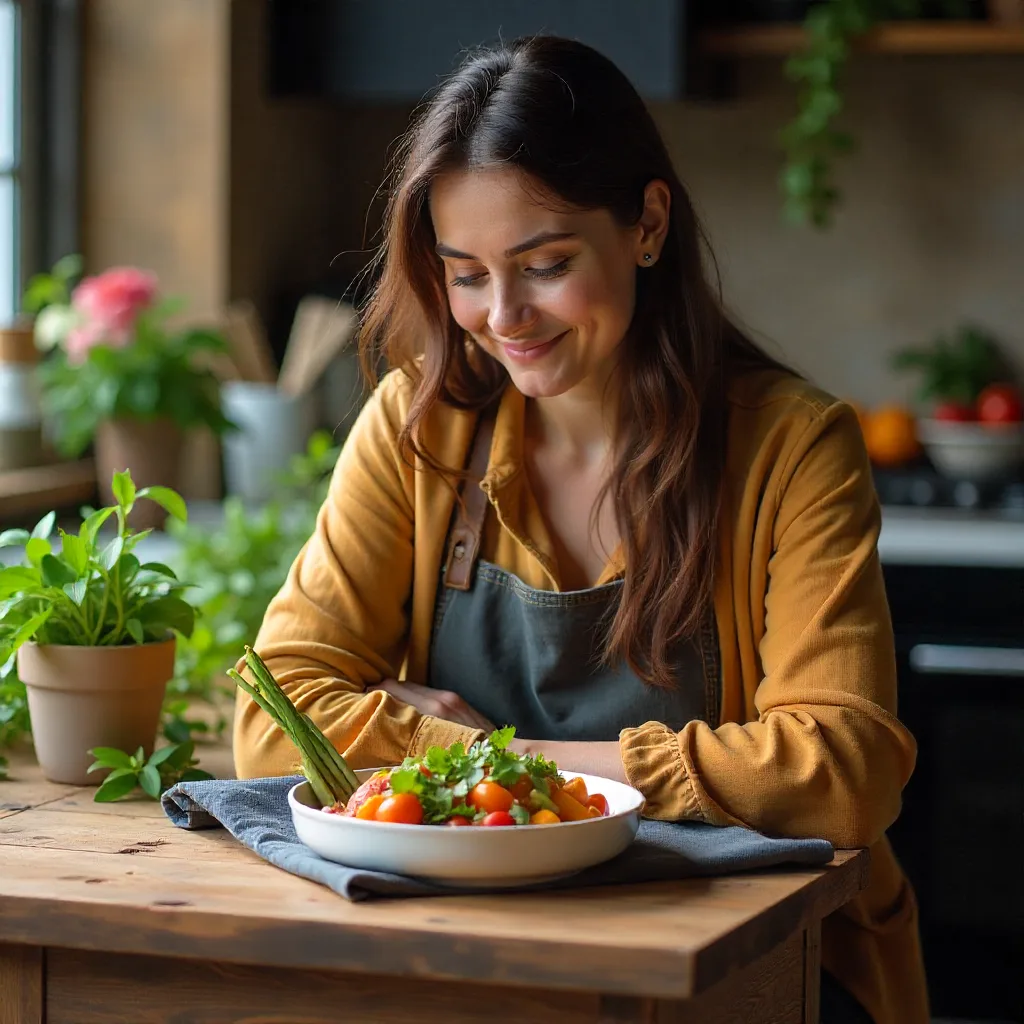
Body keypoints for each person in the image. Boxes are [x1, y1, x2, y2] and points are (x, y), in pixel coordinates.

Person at [234, 35, 926, 1024]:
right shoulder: (418, 429)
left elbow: (842, 770)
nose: (501, 314)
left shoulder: (791, 446)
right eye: (464, 273)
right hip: (483, 967)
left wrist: (499, 762)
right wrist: (693, 763)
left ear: (646, 224)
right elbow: (274, 715)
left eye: (544, 264)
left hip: (758, 970)